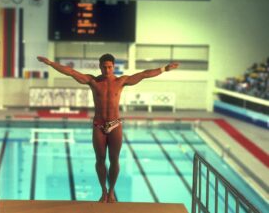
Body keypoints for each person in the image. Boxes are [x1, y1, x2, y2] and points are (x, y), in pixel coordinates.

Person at [37, 54, 179, 203]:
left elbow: (144, 74)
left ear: (114, 66)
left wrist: (164, 69)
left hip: (115, 125)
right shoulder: (93, 81)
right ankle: (103, 191)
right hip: (98, 125)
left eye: (110, 67)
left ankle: (111, 191)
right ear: (99, 67)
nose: (107, 69)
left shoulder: (121, 81)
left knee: (114, 160)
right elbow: (71, 72)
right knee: (100, 159)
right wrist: (51, 63)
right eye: (104, 67)